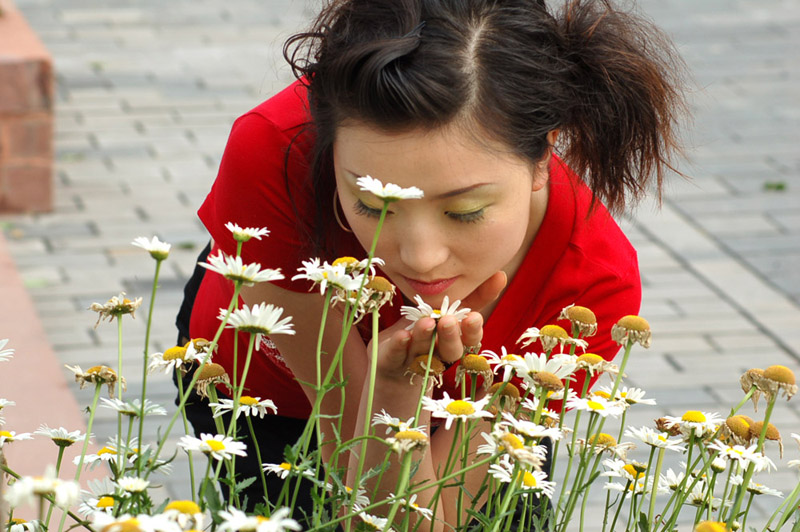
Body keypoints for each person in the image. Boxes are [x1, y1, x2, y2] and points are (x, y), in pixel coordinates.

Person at [174, 0, 686, 527]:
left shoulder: (586, 292)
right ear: (326, 157)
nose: (419, 258)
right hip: (268, 397)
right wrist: (393, 398)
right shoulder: (274, 152)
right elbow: (362, 508)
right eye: (372, 206)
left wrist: (395, 399)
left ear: (541, 157)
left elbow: (432, 522)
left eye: (464, 211)